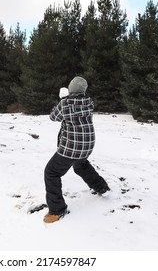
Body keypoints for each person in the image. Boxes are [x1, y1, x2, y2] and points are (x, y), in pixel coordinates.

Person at [43, 76, 110, 224]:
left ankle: (57, 210)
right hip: (87, 144)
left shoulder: (65, 103)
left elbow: (53, 117)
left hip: (71, 147)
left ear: (70, 89)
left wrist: (62, 100)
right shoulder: (89, 101)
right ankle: (102, 187)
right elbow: (77, 108)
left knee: (51, 172)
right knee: (80, 165)